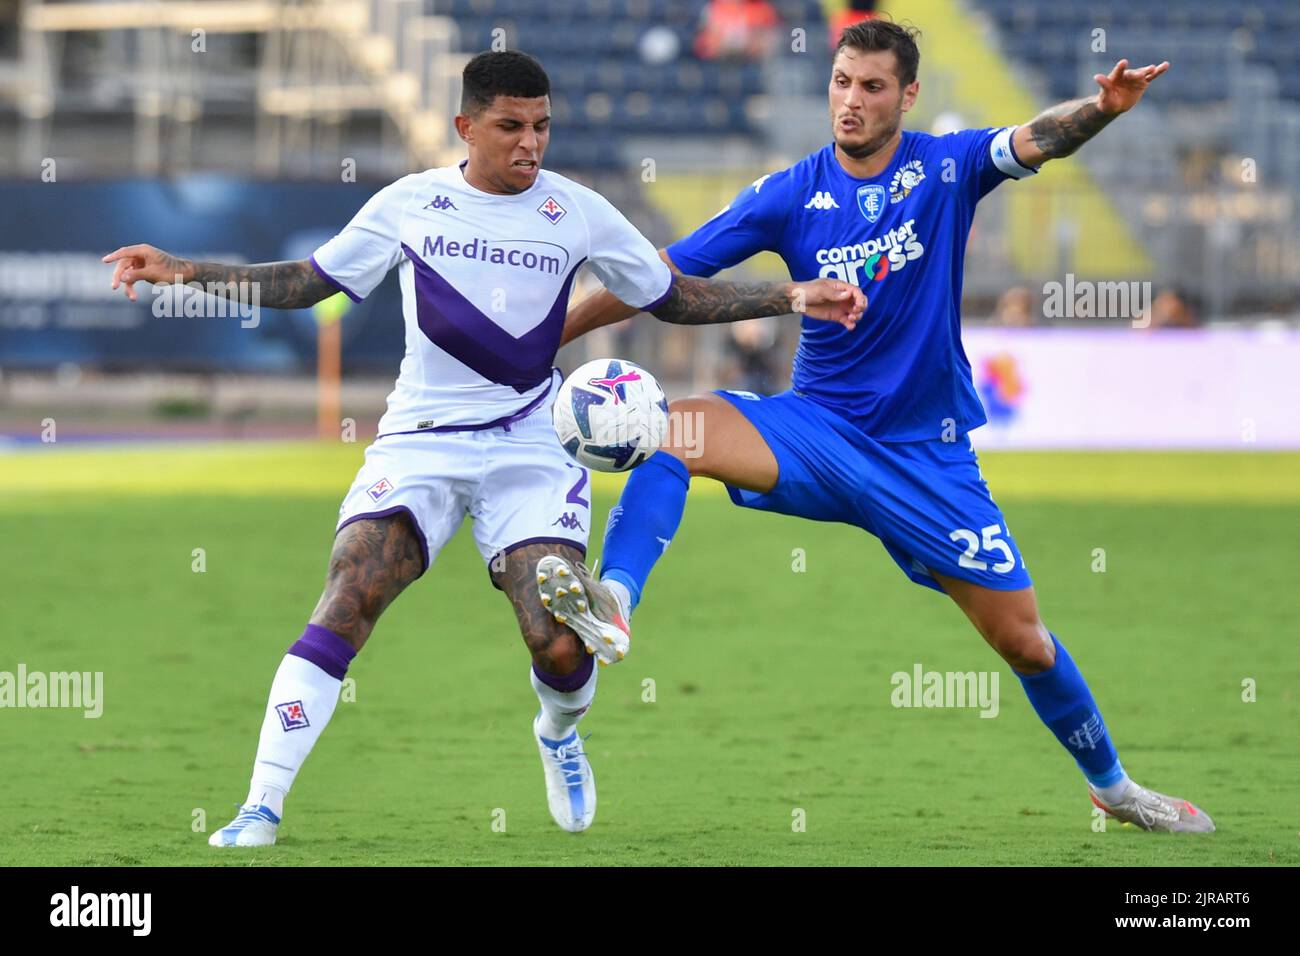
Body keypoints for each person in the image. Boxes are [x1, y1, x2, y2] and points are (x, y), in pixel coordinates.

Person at [102, 51, 864, 844]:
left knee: (556, 639)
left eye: (540, 126)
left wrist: (789, 294)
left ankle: (559, 732)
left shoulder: (580, 211)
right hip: (420, 442)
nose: (529, 143)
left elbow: (671, 297)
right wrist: (185, 268)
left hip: (532, 445)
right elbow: (308, 281)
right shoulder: (411, 204)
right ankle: (260, 805)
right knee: (348, 592)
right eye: (510, 127)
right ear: (466, 127)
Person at [539, 20, 1214, 832]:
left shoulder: (947, 167)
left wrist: (1104, 109)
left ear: (908, 95)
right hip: (816, 430)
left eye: (871, 87)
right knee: (668, 433)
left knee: (1027, 643)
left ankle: (1114, 788)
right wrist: (549, 338)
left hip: (925, 459)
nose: (850, 101)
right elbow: (664, 273)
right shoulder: (790, 193)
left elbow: (1038, 138)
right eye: (841, 82)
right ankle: (614, 598)